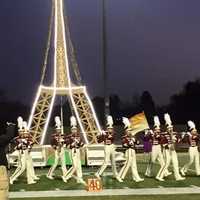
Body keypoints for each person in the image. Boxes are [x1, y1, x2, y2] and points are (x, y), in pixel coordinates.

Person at [10, 119, 38, 184]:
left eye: (22, 132)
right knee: (22, 168)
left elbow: (30, 143)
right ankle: (12, 178)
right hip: (21, 153)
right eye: (20, 132)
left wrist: (28, 145)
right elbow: (15, 146)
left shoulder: (26, 138)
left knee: (27, 166)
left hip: (26, 152)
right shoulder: (17, 138)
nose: (22, 133)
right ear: (18, 132)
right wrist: (19, 145)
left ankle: (30, 180)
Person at [158, 113, 185, 181]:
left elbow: (178, 140)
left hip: (173, 150)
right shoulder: (164, 134)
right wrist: (169, 146)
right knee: (167, 163)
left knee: (176, 163)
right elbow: (162, 143)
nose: (170, 129)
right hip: (167, 150)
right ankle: (159, 176)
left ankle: (177, 176)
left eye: (171, 128)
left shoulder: (175, 134)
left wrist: (181, 137)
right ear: (167, 129)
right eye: (169, 128)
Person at [116, 117, 144, 182]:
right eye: (128, 130)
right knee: (127, 164)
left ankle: (136, 177)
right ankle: (119, 176)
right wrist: (130, 143)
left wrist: (136, 141)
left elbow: (138, 143)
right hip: (128, 151)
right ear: (126, 131)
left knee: (134, 165)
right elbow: (124, 145)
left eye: (130, 130)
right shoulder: (124, 137)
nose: (130, 132)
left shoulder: (133, 137)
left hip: (133, 150)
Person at [145, 116, 172, 181]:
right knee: (152, 161)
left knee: (162, 160)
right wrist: (147, 134)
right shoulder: (152, 133)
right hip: (154, 147)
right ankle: (148, 172)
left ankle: (165, 172)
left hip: (159, 147)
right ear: (155, 129)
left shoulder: (160, 134)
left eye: (159, 129)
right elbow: (146, 139)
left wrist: (158, 135)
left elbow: (161, 138)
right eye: (157, 129)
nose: (158, 130)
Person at [62, 116, 86, 185]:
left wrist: (80, 144)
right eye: (73, 129)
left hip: (78, 151)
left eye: (75, 129)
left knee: (79, 165)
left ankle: (80, 178)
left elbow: (82, 144)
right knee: (75, 166)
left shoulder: (79, 136)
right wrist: (73, 143)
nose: (74, 131)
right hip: (73, 151)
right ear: (71, 130)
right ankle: (65, 176)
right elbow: (67, 146)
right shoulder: (69, 137)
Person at [95, 115, 118, 180]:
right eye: (109, 128)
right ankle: (98, 173)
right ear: (107, 128)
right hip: (106, 147)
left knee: (113, 161)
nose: (110, 129)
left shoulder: (113, 133)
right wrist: (99, 135)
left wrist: (106, 135)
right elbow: (99, 141)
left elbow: (112, 137)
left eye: (111, 128)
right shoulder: (104, 133)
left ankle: (115, 175)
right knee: (106, 161)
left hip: (112, 146)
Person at [46, 116, 67, 181]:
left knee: (63, 163)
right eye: (57, 129)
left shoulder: (63, 135)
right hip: (57, 150)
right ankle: (49, 174)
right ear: (56, 129)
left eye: (59, 129)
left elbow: (66, 142)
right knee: (55, 163)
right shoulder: (53, 136)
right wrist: (56, 148)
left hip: (62, 150)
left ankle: (65, 175)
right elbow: (52, 143)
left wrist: (63, 144)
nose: (59, 130)